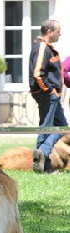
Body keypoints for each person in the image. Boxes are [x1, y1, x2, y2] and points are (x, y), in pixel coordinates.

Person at [29, 19, 67, 173]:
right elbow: (38, 73)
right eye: (58, 31)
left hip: (53, 96)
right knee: (46, 127)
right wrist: (50, 91)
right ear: (50, 32)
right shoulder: (42, 47)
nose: (60, 34)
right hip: (47, 95)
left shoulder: (48, 48)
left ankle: (43, 156)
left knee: (62, 126)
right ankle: (44, 159)